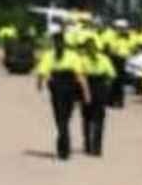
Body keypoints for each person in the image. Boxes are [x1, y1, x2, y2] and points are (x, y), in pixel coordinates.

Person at [35, 29, 91, 161]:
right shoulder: (49, 56)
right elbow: (42, 72)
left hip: (70, 88)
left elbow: (80, 76)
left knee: (66, 118)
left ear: (64, 43)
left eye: (60, 42)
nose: (58, 45)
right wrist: (39, 84)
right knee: (60, 119)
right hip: (56, 89)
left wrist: (86, 93)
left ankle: (63, 147)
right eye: (56, 42)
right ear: (54, 44)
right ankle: (63, 148)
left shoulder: (73, 56)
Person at [76, 30, 116, 156]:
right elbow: (80, 76)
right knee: (87, 118)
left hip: (100, 86)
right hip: (87, 86)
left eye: (93, 47)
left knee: (99, 119)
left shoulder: (104, 59)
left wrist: (106, 87)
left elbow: (112, 74)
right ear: (86, 49)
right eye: (88, 48)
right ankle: (87, 143)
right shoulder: (82, 59)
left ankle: (97, 147)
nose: (91, 50)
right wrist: (86, 93)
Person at [106, 20, 132, 108]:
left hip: (124, 60)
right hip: (114, 59)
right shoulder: (112, 36)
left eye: (123, 28)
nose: (122, 29)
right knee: (113, 80)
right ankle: (111, 101)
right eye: (120, 28)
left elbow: (131, 48)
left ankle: (120, 101)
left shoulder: (128, 37)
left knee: (121, 82)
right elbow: (111, 49)